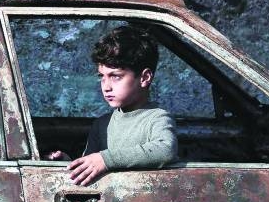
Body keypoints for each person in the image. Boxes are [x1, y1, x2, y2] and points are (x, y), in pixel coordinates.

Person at [47, 25, 177, 185]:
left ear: (144, 78)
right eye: (102, 76)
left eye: (115, 76)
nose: (106, 86)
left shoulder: (156, 118)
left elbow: (165, 150)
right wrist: (71, 164)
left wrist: (106, 159)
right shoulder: (102, 124)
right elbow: (92, 165)